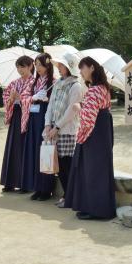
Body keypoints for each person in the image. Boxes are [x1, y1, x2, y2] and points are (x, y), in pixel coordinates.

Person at [64, 56, 116, 220]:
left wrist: (79, 106)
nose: (81, 72)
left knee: (92, 170)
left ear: (92, 67)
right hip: (103, 131)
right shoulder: (104, 88)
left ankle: (95, 210)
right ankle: (100, 208)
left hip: (93, 133)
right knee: (99, 169)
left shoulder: (94, 90)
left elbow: (87, 119)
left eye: (82, 68)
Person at [44, 52, 83, 208]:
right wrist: (48, 125)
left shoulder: (76, 86)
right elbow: (50, 105)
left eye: (61, 65)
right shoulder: (58, 84)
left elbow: (71, 110)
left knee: (67, 164)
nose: (59, 68)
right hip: (53, 128)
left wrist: (57, 127)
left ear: (69, 67)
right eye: (58, 65)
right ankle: (67, 195)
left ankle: (70, 196)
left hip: (66, 130)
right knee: (59, 165)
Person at [21, 53, 55, 200]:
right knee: (34, 152)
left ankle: (46, 189)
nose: (38, 67)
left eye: (41, 64)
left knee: (45, 152)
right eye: (36, 65)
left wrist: (47, 99)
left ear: (48, 65)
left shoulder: (53, 82)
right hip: (33, 119)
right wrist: (33, 97)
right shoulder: (34, 82)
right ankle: (37, 187)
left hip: (45, 119)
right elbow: (24, 98)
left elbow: (56, 103)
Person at [0, 56, 35, 193]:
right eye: (18, 67)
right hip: (16, 116)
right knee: (13, 148)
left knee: (25, 149)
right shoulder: (14, 83)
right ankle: (10, 181)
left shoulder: (34, 82)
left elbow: (34, 99)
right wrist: (11, 99)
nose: (20, 70)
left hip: (28, 117)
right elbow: (6, 98)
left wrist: (20, 98)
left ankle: (24, 183)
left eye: (23, 66)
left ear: (30, 66)